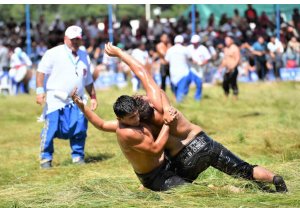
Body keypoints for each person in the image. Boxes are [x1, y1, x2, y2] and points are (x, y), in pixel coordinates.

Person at [103, 43, 288, 193]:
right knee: (244, 169)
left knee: (169, 181)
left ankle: (221, 190)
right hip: (205, 143)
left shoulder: (142, 126)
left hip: (183, 159)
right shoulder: (158, 102)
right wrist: (120, 52)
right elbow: (142, 71)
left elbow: (146, 145)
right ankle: (274, 179)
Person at [72, 42, 188, 191]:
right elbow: (100, 125)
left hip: (167, 164)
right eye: (131, 118)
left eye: (136, 114)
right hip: (154, 175)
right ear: (120, 119)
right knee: (189, 190)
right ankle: (148, 186)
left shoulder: (136, 116)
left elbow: (146, 77)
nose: (137, 119)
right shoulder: (124, 130)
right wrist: (167, 123)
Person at [36, 25, 98, 169]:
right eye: (72, 39)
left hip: (78, 100)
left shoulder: (84, 55)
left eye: (78, 39)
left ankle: (78, 156)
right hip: (55, 100)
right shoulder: (53, 53)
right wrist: (40, 91)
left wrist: (93, 96)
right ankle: (46, 159)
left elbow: (88, 80)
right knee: (51, 129)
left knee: (80, 128)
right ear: (65, 39)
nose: (75, 42)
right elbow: (40, 72)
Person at [165, 35, 190, 102]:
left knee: (175, 90)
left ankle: (177, 103)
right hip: (183, 72)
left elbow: (166, 61)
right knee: (181, 90)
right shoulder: (185, 49)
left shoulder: (170, 50)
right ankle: (179, 104)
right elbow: (190, 58)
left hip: (173, 72)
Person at [187, 34, 211, 101]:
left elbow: (207, 58)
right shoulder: (189, 48)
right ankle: (182, 97)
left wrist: (202, 63)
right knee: (186, 83)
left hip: (199, 69)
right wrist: (191, 60)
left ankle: (197, 98)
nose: (194, 44)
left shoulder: (203, 48)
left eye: (195, 43)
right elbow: (186, 56)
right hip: (190, 68)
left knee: (199, 84)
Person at [218, 35, 241, 100]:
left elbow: (237, 59)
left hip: (233, 69)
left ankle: (235, 95)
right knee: (225, 82)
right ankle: (226, 94)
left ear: (231, 41)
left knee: (233, 83)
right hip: (227, 69)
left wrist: (233, 67)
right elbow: (224, 60)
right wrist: (221, 67)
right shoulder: (226, 49)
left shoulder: (235, 48)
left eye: (227, 40)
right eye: (225, 40)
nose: (226, 42)